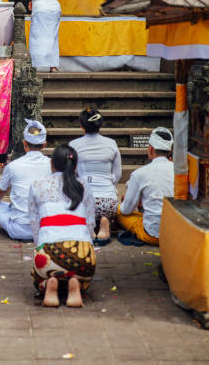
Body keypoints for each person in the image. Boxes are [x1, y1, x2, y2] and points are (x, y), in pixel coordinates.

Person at [28, 144, 96, 307]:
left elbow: (34, 223)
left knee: (38, 276)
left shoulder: (37, 185)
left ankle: (49, 284)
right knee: (84, 277)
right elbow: (90, 223)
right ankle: (77, 285)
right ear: (75, 165)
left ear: (51, 164)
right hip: (82, 255)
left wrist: (41, 247)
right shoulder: (84, 186)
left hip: (48, 254)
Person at [0, 119, 51, 240]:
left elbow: (0, 192)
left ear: (25, 144)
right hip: (46, 229)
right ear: (44, 145)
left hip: (19, 230)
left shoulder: (13, 166)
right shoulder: (52, 164)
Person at [69, 108, 121, 246]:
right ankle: (105, 220)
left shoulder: (74, 145)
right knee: (108, 200)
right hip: (108, 201)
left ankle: (88, 225)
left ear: (81, 125)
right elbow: (117, 175)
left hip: (84, 202)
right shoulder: (111, 143)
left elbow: (71, 174)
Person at [117, 127, 174, 246]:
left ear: (150, 149)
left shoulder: (139, 174)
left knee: (119, 212)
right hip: (176, 232)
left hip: (153, 235)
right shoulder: (180, 172)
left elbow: (126, 209)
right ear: (169, 152)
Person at [17, 0, 61, 72]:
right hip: (54, 8)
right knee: (52, 36)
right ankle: (53, 66)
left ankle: (34, 64)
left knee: (37, 36)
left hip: (41, 9)